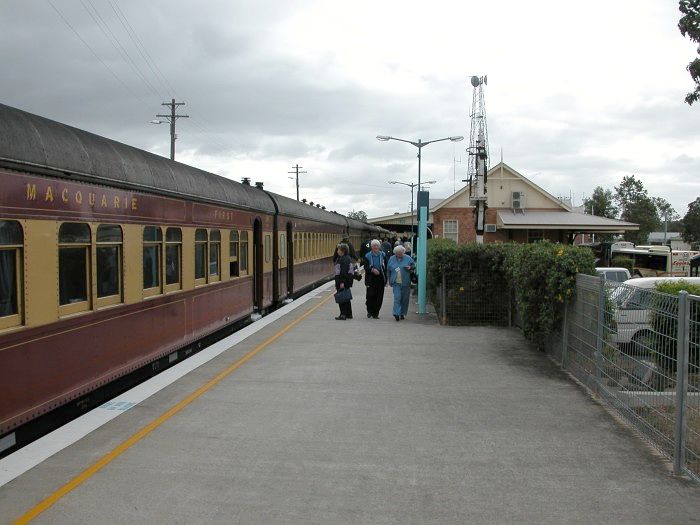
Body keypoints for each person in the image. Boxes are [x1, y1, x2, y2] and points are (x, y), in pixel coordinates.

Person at [387, 244, 414, 321]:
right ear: (395, 253)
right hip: (396, 282)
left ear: (403, 252)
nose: (399, 255)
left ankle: (402, 313)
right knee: (397, 298)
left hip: (406, 282)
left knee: (405, 299)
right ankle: (396, 313)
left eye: (401, 253)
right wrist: (389, 280)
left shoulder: (408, 258)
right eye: (398, 253)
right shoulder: (391, 259)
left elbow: (413, 265)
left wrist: (410, 267)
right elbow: (388, 270)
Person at [364, 239, 386, 319]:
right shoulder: (367, 256)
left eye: (377, 245)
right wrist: (373, 270)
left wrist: (386, 278)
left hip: (380, 277)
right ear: (371, 247)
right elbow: (366, 267)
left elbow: (386, 267)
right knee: (370, 296)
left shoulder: (383, 255)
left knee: (379, 296)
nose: (376, 247)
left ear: (379, 247)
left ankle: (376, 313)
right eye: (374, 246)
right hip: (370, 278)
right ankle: (369, 310)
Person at [334, 243, 354, 320]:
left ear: (343, 250)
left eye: (338, 249)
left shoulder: (343, 259)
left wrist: (342, 282)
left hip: (342, 281)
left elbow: (343, 272)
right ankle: (349, 314)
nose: (337, 251)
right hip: (347, 281)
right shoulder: (348, 258)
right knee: (346, 298)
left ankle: (343, 314)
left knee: (342, 298)